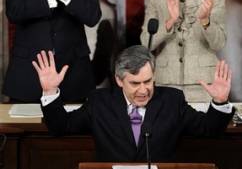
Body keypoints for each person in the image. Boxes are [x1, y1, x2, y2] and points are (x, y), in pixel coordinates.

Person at [33, 45, 233, 162]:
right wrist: (50, 91)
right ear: (119, 81)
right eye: (135, 83)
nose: (143, 89)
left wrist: (220, 101)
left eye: (148, 81)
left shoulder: (172, 100)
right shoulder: (99, 102)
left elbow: (209, 129)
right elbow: (61, 127)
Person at [140, 0, 226, 102]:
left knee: (203, 127)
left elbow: (219, 43)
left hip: (204, 84)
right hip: (166, 82)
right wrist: (170, 21)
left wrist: (205, 20)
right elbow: (146, 44)